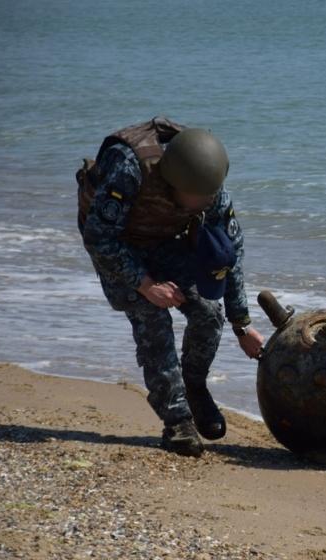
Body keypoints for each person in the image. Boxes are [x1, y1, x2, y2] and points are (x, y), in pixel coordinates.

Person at [77, 116, 265, 457]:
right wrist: (146, 285)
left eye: (205, 198)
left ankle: (194, 387)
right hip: (117, 246)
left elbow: (229, 251)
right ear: (171, 181)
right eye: (193, 198)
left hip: (164, 239)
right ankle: (177, 420)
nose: (202, 204)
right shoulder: (130, 167)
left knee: (209, 311)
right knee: (153, 316)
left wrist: (242, 325)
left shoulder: (211, 187)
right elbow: (98, 236)